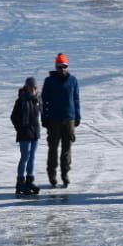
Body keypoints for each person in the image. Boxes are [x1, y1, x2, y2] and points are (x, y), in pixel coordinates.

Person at [41, 52, 80, 188]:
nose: (61, 69)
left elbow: (76, 100)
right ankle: (52, 174)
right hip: (54, 120)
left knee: (67, 148)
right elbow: (44, 101)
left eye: (63, 66)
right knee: (53, 148)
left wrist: (77, 116)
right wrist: (44, 118)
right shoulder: (49, 81)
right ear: (56, 67)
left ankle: (65, 174)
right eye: (59, 67)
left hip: (69, 119)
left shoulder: (73, 80)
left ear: (67, 66)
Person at [10, 77, 41, 197]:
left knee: (32, 156)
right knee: (25, 157)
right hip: (24, 133)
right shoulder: (21, 100)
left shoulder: (37, 100)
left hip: (34, 132)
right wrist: (20, 128)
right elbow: (13, 117)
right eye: (30, 87)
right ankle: (20, 182)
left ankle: (29, 180)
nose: (32, 89)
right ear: (26, 87)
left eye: (34, 87)